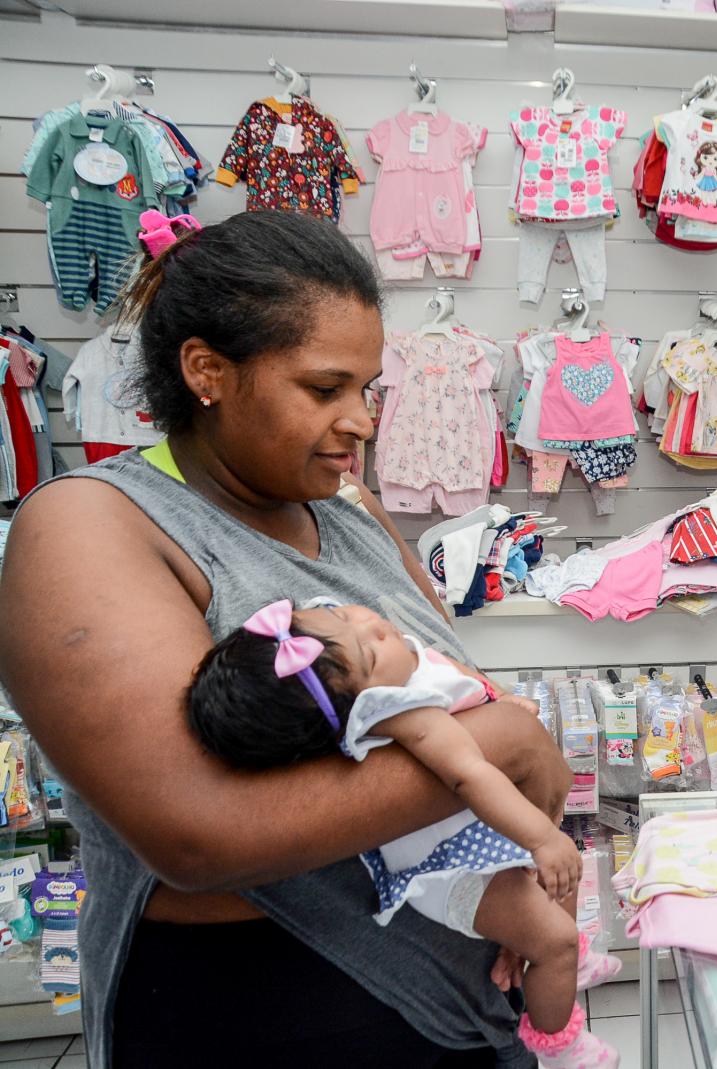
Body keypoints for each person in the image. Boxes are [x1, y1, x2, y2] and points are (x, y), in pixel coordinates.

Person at [0, 210, 573, 1068]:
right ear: (207, 371)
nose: (362, 423)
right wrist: (503, 745)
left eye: (367, 389)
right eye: (324, 389)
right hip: (265, 1014)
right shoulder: (94, 525)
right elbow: (197, 835)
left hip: (461, 1002)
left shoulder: (344, 511)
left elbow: (429, 679)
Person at [185, 597, 617, 1067]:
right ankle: (559, 1044)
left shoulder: (360, 660)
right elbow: (469, 771)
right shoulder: (394, 708)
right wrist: (540, 839)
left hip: (483, 834)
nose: (372, 624)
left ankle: (564, 959)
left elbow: (437, 664)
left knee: (560, 889)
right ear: (359, 705)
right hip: (453, 866)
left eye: (344, 614)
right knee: (554, 941)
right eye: (367, 653)